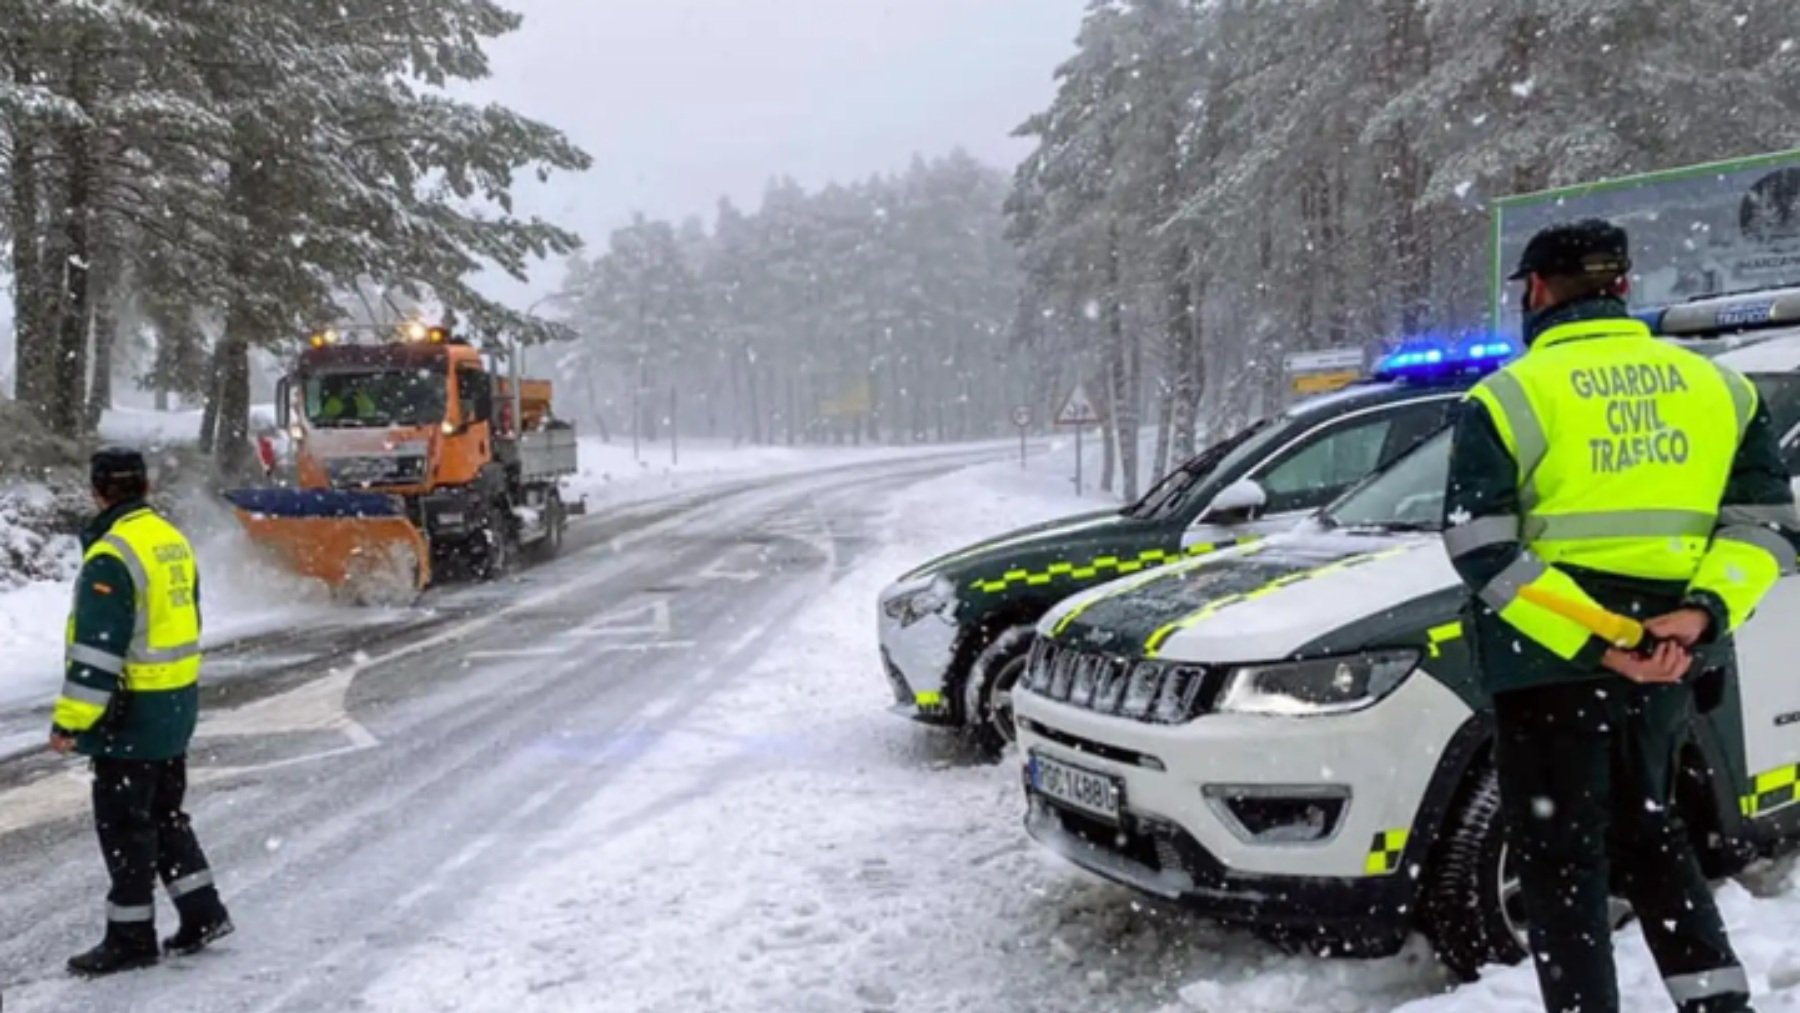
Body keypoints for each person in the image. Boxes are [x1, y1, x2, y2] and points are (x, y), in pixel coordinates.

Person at [1443, 219, 1800, 1012]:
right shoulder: (1721, 389)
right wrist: (1698, 616)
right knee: (1651, 829)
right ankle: (1716, 1001)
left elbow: (1481, 548)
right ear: (1624, 287)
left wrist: (1609, 639)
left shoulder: (1508, 395)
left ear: (1536, 291)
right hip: (1672, 667)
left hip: (1551, 669)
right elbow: (1766, 530)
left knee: (1560, 860)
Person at [52, 448, 233, 977]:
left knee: (126, 827)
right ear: (146, 486)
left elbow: (97, 654)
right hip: (175, 705)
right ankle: (203, 912)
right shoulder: (169, 541)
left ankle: (131, 937)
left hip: (131, 714)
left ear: (97, 490)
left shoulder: (114, 554)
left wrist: (71, 722)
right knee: (164, 815)